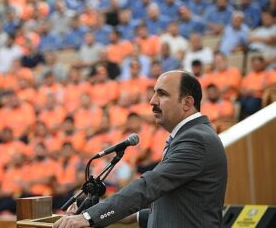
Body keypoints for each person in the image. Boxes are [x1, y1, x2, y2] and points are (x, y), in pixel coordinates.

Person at [53, 70, 227, 228]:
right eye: (154, 93)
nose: (152, 101)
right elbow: (176, 208)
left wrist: (89, 217)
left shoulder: (196, 139)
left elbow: (150, 185)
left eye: (162, 94)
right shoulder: (188, 135)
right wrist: (125, 215)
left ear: (187, 103)